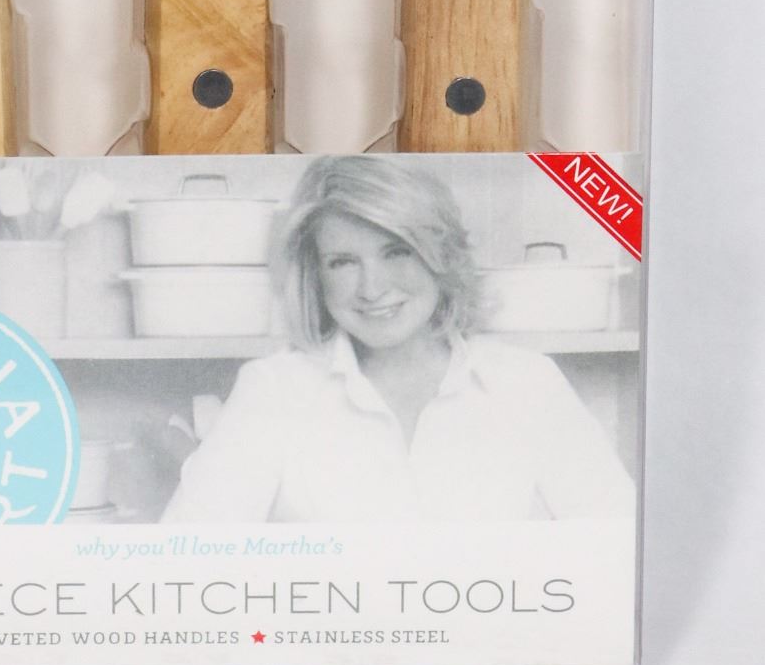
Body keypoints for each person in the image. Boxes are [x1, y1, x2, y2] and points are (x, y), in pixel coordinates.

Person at [163, 154, 634, 523]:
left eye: (396, 252)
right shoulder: (274, 389)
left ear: (440, 255)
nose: (372, 288)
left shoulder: (528, 382)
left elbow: (619, 546)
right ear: (315, 275)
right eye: (343, 262)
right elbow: (186, 559)